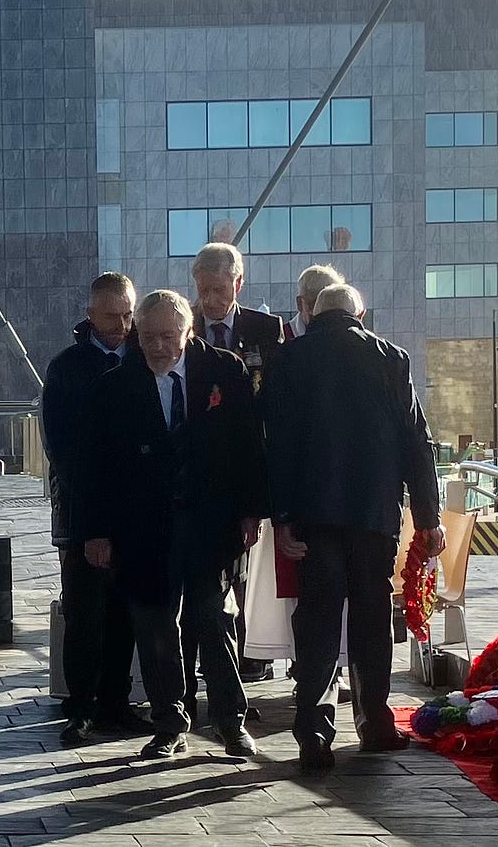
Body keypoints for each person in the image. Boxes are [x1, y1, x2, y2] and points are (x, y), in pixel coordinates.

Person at [80, 290, 268, 759]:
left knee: (213, 620)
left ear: (188, 332)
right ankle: (169, 723)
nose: (158, 347)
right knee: (156, 629)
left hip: (210, 525)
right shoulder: (113, 386)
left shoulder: (225, 371)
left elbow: (249, 447)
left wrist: (251, 510)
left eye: (167, 336)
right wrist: (96, 531)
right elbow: (94, 467)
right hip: (143, 530)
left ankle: (231, 722)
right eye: (147, 338)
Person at [266, 284, 444, 775]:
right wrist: (427, 518)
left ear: (313, 313)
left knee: (318, 620)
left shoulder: (289, 359)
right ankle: (375, 725)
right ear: (361, 314)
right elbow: (417, 443)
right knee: (371, 618)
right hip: (374, 516)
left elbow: (276, 445)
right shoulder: (391, 359)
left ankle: (314, 733)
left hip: (313, 517)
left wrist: (281, 517)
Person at [41, 272, 149, 744]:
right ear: (90, 315)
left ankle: (115, 701)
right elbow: (61, 451)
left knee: (125, 609)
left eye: (128, 313)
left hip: (135, 512)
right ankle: (80, 704)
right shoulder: (67, 367)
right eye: (111, 316)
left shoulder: (146, 359)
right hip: (82, 511)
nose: (122, 325)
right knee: (84, 611)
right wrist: (90, 523)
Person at [244, 265, 351, 689]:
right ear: (303, 305)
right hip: (292, 488)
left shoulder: (351, 347)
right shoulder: (280, 346)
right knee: (291, 587)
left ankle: (328, 670)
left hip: (335, 489)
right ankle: (298, 665)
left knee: (331, 591)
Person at [191, 242, 285, 687]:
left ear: (238, 282)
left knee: (252, 576)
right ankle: (211, 664)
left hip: (255, 467)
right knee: (210, 584)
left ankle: (253, 656)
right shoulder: (179, 325)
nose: (210, 299)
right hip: (202, 476)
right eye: (203, 289)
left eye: (218, 289)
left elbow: (280, 400)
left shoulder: (268, 330)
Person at [284, 264, 344, 341]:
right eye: (315, 304)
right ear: (300, 304)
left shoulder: (347, 338)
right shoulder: (280, 340)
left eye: (331, 304)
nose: (322, 313)